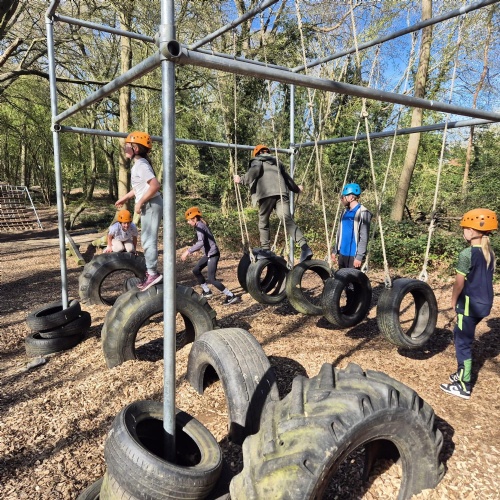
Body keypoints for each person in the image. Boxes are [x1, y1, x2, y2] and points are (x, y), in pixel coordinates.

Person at [440, 208, 497, 400]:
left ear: (472, 231)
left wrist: (453, 301)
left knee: (462, 344)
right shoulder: (490, 253)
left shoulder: (467, 254)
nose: (463, 231)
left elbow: (459, 284)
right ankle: (461, 372)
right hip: (484, 304)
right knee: (460, 333)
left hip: (469, 305)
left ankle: (463, 386)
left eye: (464, 228)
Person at [233, 144, 313, 263]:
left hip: (267, 193)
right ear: (267, 152)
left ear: (257, 153)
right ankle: (305, 247)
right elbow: (287, 179)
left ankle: (266, 250)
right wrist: (296, 189)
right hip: (282, 193)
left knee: (263, 220)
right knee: (286, 219)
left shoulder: (258, 160)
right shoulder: (277, 162)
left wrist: (241, 179)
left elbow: (255, 170)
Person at [115, 131, 163, 292]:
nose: (125, 149)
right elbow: (139, 188)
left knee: (148, 240)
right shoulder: (138, 165)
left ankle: (153, 274)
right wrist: (124, 199)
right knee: (146, 239)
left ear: (135, 148)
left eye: (127, 146)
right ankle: (151, 272)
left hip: (151, 204)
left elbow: (155, 185)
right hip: (149, 204)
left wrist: (140, 202)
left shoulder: (141, 165)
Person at [181, 206, 240, 305]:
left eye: (189, 220)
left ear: (194, 218)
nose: (188, 222)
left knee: (211, 279)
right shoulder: (200, 225)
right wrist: (198, 249)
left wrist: (188, 251)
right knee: (196, 270)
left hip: (213, 255)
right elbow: (204, 241)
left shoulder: (200, 226)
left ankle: (231, 296)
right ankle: (207, 291)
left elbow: (201, 242)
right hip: (208, 254)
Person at [331, 183, 372, 269]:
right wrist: (335, 250)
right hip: (342, 254)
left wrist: (359, 257)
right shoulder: (344, 212)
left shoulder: (363, 213)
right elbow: (340, 233)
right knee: (341, 277)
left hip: (354, 256)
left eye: (343, 197)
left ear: (351, 198)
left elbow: (364, 237)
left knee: (352, 277)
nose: (341, 199)